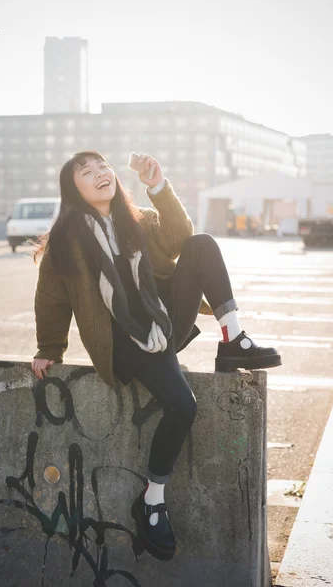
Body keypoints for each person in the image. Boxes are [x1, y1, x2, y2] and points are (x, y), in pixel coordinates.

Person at [30, 151, 281, 562]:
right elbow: (51, 298)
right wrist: (49, 348)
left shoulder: (138, 220)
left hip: (162, 324)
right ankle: (153, 499)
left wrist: (158, 187)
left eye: (103, 168)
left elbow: (180, 234)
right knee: (182, 406)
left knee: (201, 244)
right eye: (87, 173)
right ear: (72, 189)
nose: (99, 175)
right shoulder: (66, 239)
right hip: (123, 343)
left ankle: (233, 339)